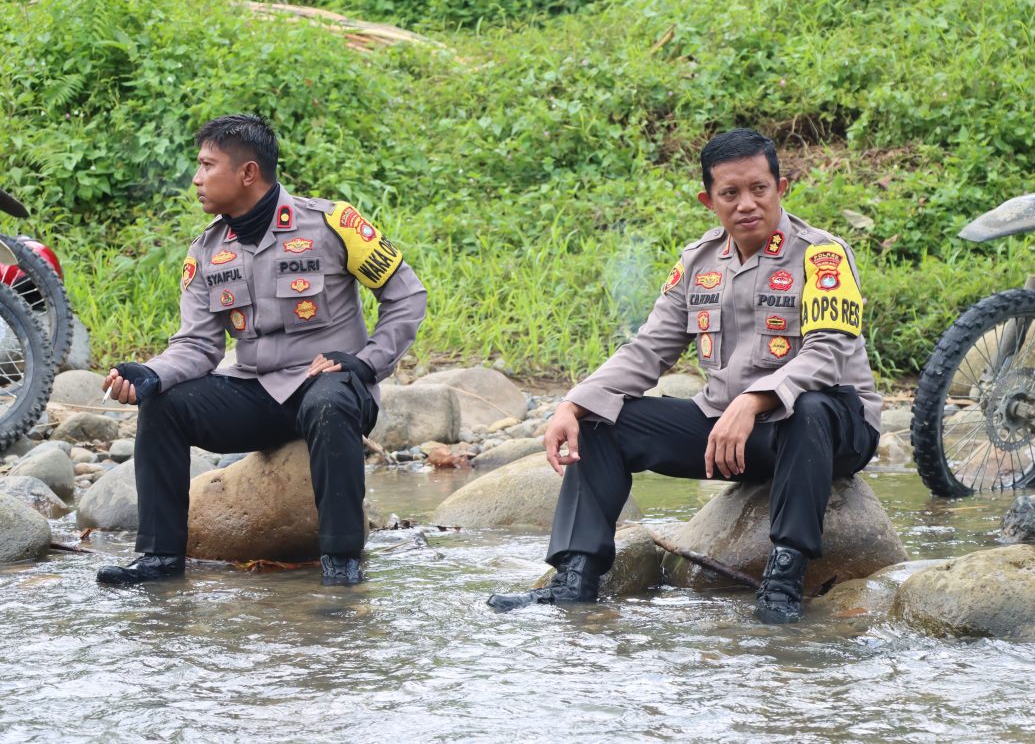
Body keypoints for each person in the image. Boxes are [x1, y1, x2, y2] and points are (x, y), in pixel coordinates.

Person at [486, 129, 881, 623]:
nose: (747, 204)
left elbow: (829, 350)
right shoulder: (698, 262)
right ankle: (575, 578)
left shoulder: (823, 256)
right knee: (600, 422)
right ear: (708, 200)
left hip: (826, 430)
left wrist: (754, 400)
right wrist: (572, 404)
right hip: (729, 434)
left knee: (810, 406)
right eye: (730, 193)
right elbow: (650, 348)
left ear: (782, 188)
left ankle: (784, 578)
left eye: (759, 189)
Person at [96, 114, 427, 586]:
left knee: (329, 401)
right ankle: (160, 560)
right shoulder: (206, 251)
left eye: (207, 165)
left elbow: (406, 295)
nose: (196, 178)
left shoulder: (332, 223)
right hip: (255, 392)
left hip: (329, 385)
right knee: (164, 406)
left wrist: (368, 361)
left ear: (248, 173)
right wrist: (151, 373)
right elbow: (197, 344)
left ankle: (342, 563)